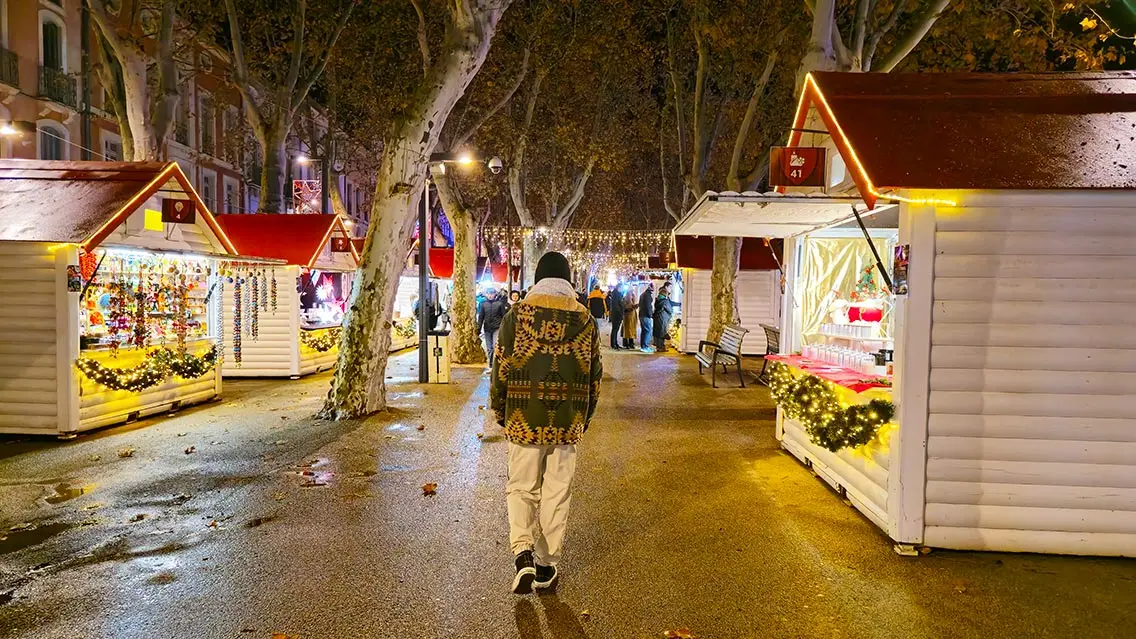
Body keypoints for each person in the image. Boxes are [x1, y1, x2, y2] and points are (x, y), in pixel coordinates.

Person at [491, 251, 603, 595]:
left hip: (524, 417)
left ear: (538, 278)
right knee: (557, 490)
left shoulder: (516, 316)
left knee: (522, 486)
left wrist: (500, 410)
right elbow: (594, 375)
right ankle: (546, 563)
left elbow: (502, 367)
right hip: (567, 419)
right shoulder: (586, 320)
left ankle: (522, 552)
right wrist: (584, 417)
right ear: (568, 279)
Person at [477, 288, 508, 368]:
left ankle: (496, 365)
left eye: (492, 294)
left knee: (495, 346)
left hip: (497, 328)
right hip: (487, 328)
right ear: (486, 294)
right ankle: (491, 365)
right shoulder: (483, 304)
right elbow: (481, 317)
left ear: (495, 294)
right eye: (489, 294)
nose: (490, 295)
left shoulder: (499, 304)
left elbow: (504, 316)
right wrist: (478, 328)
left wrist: (504, 328)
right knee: (489, 348)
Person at [653, 283, 675, 352]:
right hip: (663, 318)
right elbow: (669, 310)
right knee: (662, 332)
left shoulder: (658, 300)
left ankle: (658, 346)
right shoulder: (665, 301)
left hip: (658, 317)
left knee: (658, 332)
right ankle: (661, 347)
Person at [638, 283, 654, 353]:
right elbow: (648, 306)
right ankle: (645, 346)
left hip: (642, 315)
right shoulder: (647, 295)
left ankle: (643, 346)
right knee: (648, 331)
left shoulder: (643, 294)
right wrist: (650, 315)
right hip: (646, 316)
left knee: (644, 331)